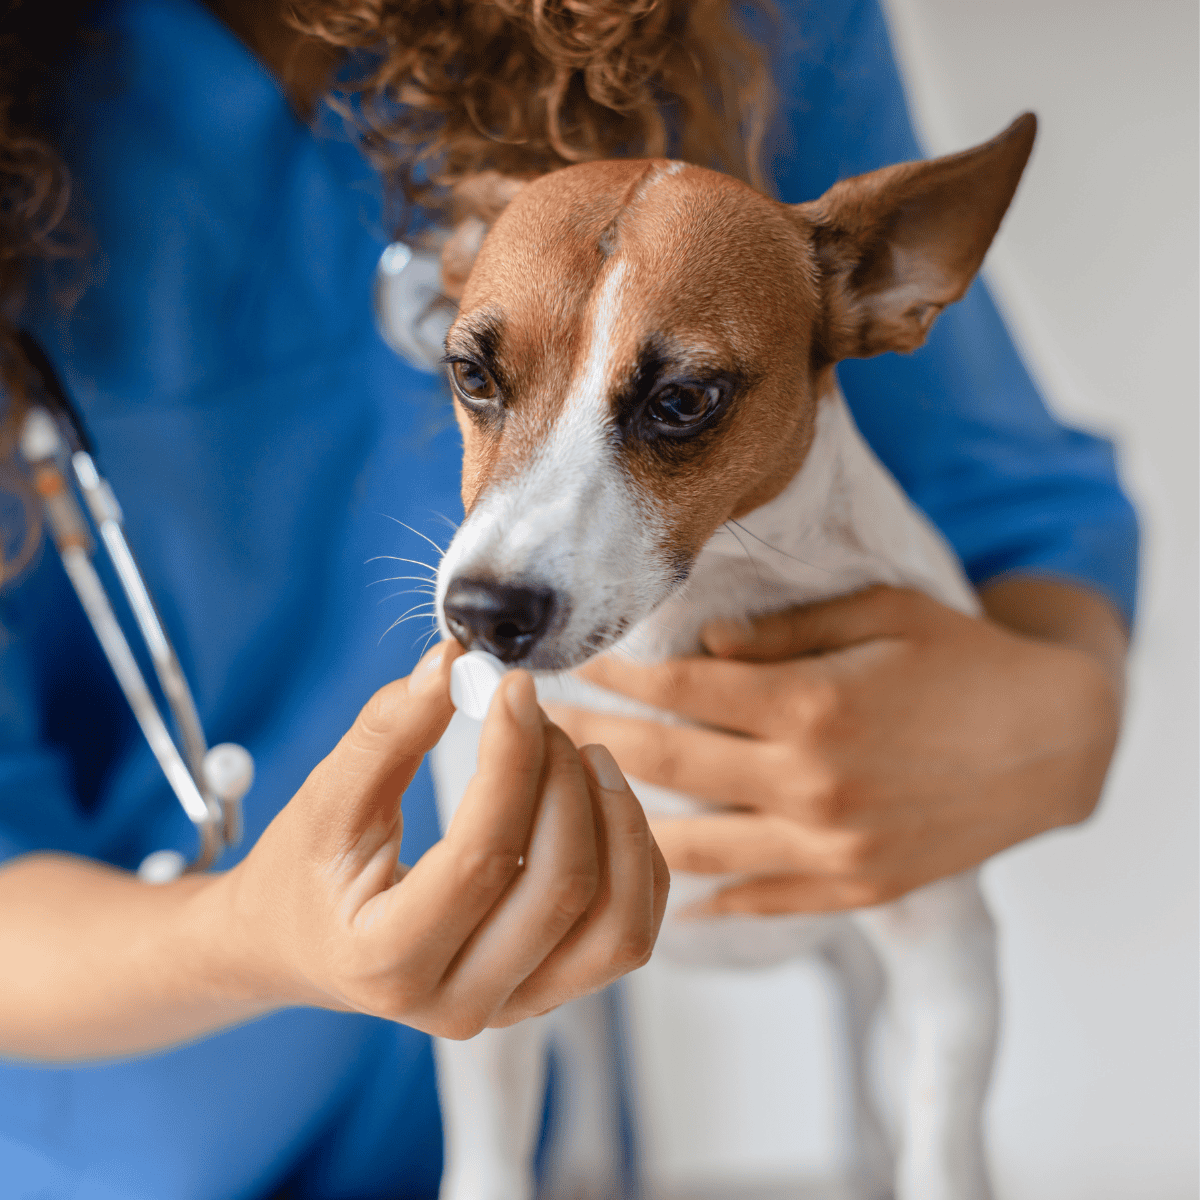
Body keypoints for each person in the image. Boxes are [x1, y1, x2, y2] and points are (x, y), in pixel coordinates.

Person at [0, 0, 1136, 1196]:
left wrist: (1065, 710)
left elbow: (1008, 501)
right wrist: (244, 941)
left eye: (680, 406)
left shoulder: (752, 26)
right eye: (477, 378)